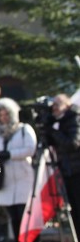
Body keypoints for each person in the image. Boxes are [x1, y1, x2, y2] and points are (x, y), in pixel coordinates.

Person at [0, 98, 36, 242]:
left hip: (23, 174)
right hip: (6, 178)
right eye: (1, 115)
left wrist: (10, 154)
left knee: (25, 213)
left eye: (6, 115)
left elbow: (30, 149)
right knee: (13, 215)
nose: (4, 118)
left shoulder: (24, 129)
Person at [45, 93, 80, 233]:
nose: (55, 108)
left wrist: (53, 131)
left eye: (58, 104)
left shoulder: (75, 119)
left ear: (68, 105)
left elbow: (72, 143)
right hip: (67, 171)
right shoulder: (57, 122)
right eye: (53, 105)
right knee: (74, 210)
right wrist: (47, 127)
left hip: (77, 171)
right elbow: (51, 143)